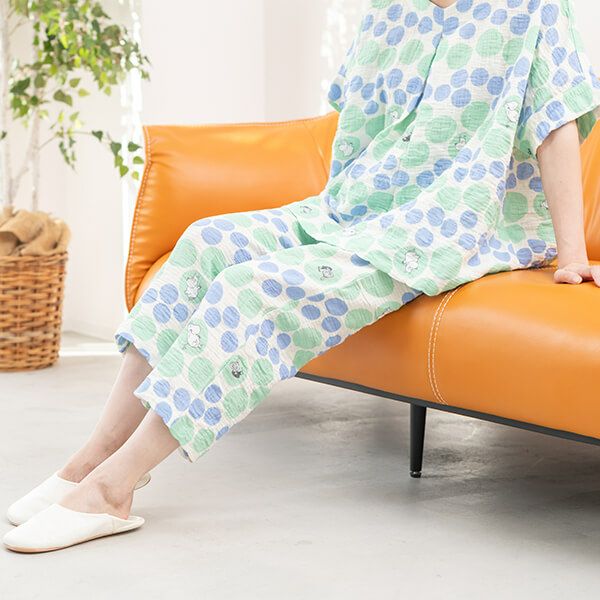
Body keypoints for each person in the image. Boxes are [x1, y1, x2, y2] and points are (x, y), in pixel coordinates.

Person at [4, 0, 600, 553]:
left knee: (253, 290)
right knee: (206, 241)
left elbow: (556, 124)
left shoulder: (534, 11)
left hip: (449, 227)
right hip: (356, 209)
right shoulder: (392, 11)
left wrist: (571, 253)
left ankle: (112, 489)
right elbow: (357, 128)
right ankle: (92, 456)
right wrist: (334, 217)